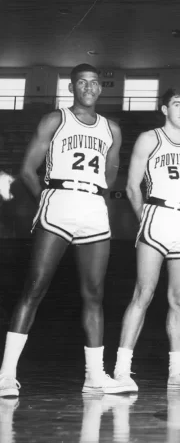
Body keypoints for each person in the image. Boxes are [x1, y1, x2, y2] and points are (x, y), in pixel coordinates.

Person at [0, 63, 123, 396]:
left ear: (100, 88)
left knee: (94, 294)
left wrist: (92, 193)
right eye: (81, 82)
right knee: (35, 287)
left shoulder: (112, 128)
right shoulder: (56, 119)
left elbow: (110, 176)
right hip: (59, 201)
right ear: (72, 88)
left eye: (94, 82)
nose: (88, 87)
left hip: (93, 208)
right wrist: (47, 199)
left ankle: (95, 376)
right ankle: (6, 375)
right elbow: (27, 170)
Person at [109, 88, 180, 393]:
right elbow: (132, 187)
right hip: (157, 214)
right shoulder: (150, 139)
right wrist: (145, 221)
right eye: (177, 104)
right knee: (144, 293)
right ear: (164, 108)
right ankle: (121, 371)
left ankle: (177, 372)